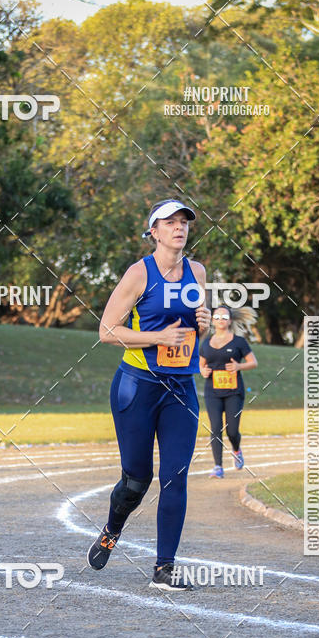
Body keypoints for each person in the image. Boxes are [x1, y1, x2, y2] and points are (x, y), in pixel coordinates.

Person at [87, 198, 211, 590]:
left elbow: (194, 332)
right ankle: (111, 529)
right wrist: (156, 337)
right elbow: (107, 330)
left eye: (184, 222)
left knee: (175, 476)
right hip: (137, 387)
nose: (179, 228)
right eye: (169, 222)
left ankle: (164, 567)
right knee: (137, 479)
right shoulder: (139, 274)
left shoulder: (199, 272)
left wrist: (204, 325)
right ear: (154, 231)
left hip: (181, 388)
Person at [199, 304, 258, 478]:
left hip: (234, 392)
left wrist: (239, 365)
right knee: (216, 428)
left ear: (230, 320)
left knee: (232, 430)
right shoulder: (207, 343)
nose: (220, 320)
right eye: (216, 317)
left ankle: (236, 450)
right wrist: (202, 371)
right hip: (212, 391)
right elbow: (200, 364)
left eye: (224, 317)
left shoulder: (239, 341)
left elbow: (253, 362)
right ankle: (218, 467)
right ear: (212, 321)